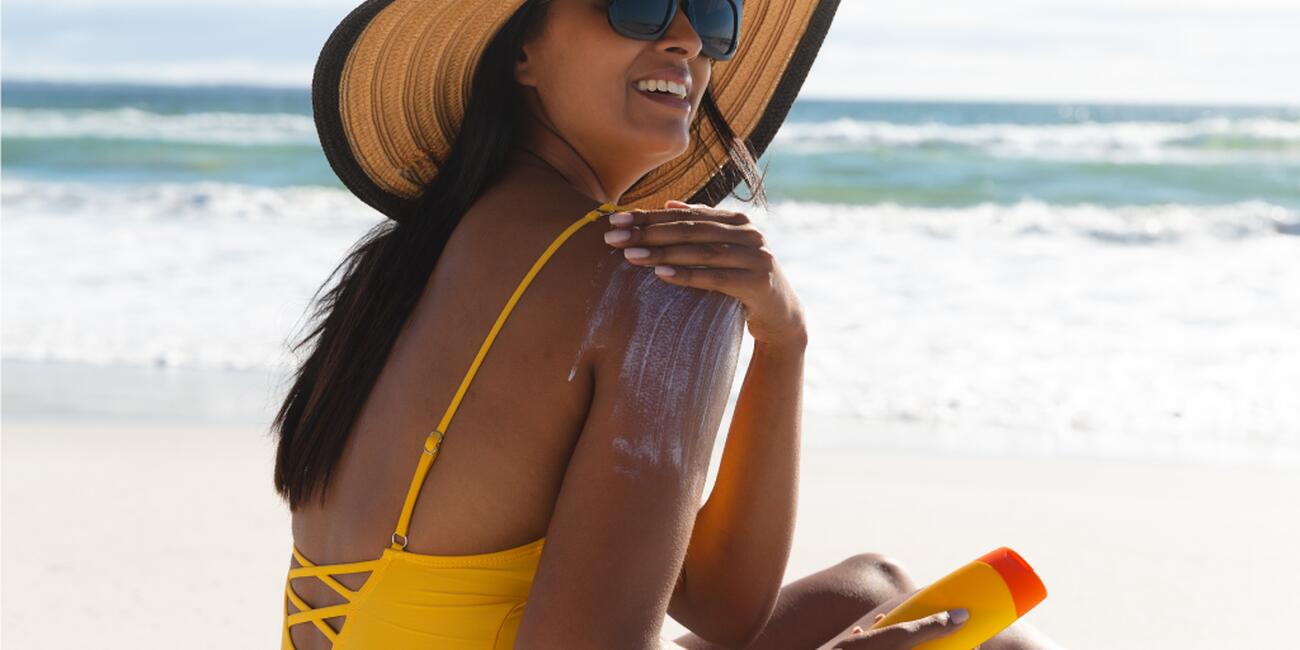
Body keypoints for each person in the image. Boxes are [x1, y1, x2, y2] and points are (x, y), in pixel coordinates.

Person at [274, 0, 1063, 648]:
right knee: (996, 649)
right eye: (640, 6)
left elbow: (720, 606)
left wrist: (782, 344)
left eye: (712, 17)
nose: (686, 39)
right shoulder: (653, 288)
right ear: (522, 52)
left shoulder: (401, 263)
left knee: (872, 587)